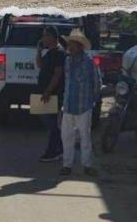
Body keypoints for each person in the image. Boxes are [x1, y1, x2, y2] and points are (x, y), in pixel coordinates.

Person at [59, 29, 100, 176]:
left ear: (79, 46)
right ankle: (67, 164)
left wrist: (93, 102)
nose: (69, 47)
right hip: (69, 103)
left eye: (72, 44)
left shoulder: (89, 62)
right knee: (67, 135)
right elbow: (67, 82)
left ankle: (87, 164)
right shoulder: (68, 61)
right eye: (69, 44)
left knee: (84, 136)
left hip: (84, 104)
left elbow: (96, 82)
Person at [38, 26, 66, 162]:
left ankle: (53, 151)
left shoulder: (60, 53)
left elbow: (57, 74)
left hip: (53, 94)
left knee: (52, 123)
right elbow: (40, 65)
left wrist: (48, 92)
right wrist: (38, 51)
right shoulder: (49, 52)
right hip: (45, 92)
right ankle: (59, 148)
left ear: (52, 37)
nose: (43, 38)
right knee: (47, 122)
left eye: (45, 35)